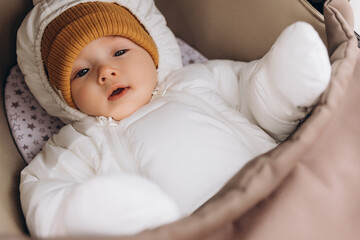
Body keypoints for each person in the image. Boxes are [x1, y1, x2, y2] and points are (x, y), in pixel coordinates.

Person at [17, 0, 331, 238]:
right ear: (63, 97)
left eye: (120, 52)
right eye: (81, 72)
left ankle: (296, 90)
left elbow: (249, 92)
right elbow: (44, 192)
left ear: (151, 50)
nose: (105, 72)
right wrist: (94, 211)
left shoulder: (195, 79)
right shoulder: (79, 144)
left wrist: (280, 85)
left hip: (278, 186)